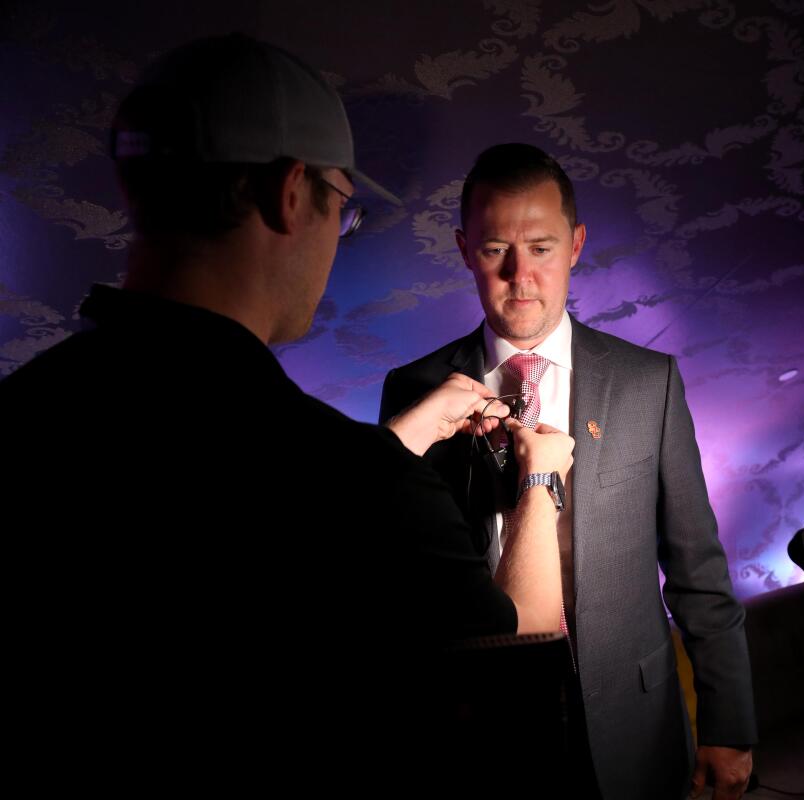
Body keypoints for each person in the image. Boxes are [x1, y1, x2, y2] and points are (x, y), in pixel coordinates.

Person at [0, 35, 571, 790]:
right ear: (291, 193)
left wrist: (388, 451)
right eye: (344, 209)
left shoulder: (22, 413)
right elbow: (515, 678)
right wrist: (537, 485)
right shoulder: (359, 486)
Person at [379, 143, 757, 800]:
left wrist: (730, 725)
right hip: (484, 732)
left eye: (542, 247)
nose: (520, 274)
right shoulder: (410, 390)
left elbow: (700, 573)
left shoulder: (650, 383)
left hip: (636, 724)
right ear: (465, 249)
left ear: (576, 245)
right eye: (496, 249)